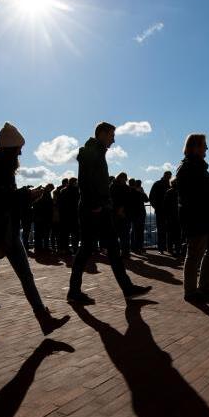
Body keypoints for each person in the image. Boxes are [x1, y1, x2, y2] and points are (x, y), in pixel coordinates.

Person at [0, 122, 68, 342]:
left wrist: (25, 196)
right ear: (11, 149)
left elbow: (5, 199)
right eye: (19, 148)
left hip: (8, 231)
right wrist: (25, 195)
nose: (21, 152)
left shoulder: (0, 166)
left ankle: (43, 319)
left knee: (23, 277)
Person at [67, 122, 152, 305]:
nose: (113, 140)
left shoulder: (96, 152)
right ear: (102, 134)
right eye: (112, 135)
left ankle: (127, 289)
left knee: (112, 249)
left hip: (100, 208)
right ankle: (74, 292)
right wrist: (94, 205)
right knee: (87, 250)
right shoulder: (91, 152)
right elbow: (85, 182)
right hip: (94, 209)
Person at [176, 134, 209, 302]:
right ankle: (190, 291)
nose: (206, 148)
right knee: (195, 253)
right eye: (204, 145)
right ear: (196, 147)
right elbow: (194, 198)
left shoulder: (198, 168)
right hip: (197, 218)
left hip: (206, 218)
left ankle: (204, 285)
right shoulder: (188, 168)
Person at [149, 171, 172, 253]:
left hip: (161, 210)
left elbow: (151, 196)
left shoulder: (157, 184)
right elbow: (151, 196)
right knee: (167, 229)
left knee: (161, 229)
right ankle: (166, 248)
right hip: (167, 211)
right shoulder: (169, 185)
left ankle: (161, 248)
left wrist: (156, 206)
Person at [111, 173, 132, 257]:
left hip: (115, 213)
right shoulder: (125, 188)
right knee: (125, 235)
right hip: (124, 214)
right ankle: (125, 252)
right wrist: (121, 210)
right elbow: (126, 200)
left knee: (115, 234)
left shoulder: (112, 187)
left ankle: (116, 252)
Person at [57, 177, 80, 255]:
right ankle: (75, 249)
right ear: (74, 183)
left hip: (64, 216)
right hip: (74, 215)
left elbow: (59, 204)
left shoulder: (62, 191)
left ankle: (64, 249)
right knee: (75, 234)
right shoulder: (76, 191)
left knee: (64, 234)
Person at [33, 184, 55, 252]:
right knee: (46, 234)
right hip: (46, 218)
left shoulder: (41, 195)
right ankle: (45, 247)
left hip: (38, 218)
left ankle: (38, 247)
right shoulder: (47, 196)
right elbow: (49, 207)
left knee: (38, 234)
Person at [163, 178, 182, 257]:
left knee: (170, 234)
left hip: (170, 216)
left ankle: (170, 249)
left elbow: (165, 205)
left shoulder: (168, 192)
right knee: (178, 234)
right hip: (178, 216)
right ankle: (178, 250)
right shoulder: (180, 192)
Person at [129, 179, 149, 253]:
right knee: (139, 231)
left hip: (132, 213)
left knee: (134, 230)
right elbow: (147, 200)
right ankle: (139, 247)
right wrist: (142, 192)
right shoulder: (138, 192)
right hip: (140, 213)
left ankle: (134, 247)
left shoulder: (128, 192)